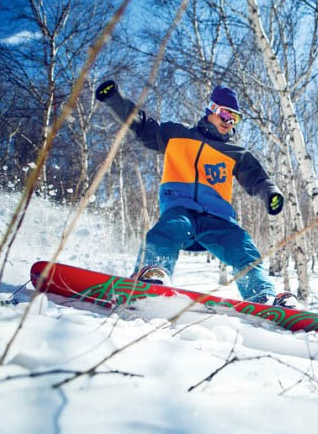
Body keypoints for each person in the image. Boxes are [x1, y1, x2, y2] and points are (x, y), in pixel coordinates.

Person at [95, 80, 296, 308]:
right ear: (211, 109)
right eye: (224, 114)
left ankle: (262, 296)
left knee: (243, 246)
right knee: (167, 230)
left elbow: (257, 178)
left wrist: (271, 194)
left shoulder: (236, 153)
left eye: (234, 119)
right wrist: (114, 99)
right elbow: (142, 125)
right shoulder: (177, 135)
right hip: (180, 208)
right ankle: (152, 273)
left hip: (218, 219)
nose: (228, 122)